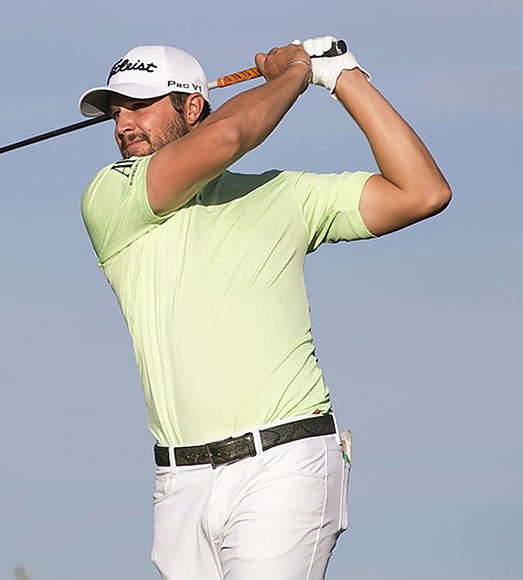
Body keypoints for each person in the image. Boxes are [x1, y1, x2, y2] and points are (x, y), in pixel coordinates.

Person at [77, 37, 450, 579]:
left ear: (192, 107)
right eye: (116, 111)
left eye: (141, 105)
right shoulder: (111, 198)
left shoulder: (283, 195)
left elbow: (423, 192)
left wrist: (341, 77)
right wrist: (294, 72)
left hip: (285, 460)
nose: (123, 123)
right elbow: (228, 136)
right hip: (179, 484)